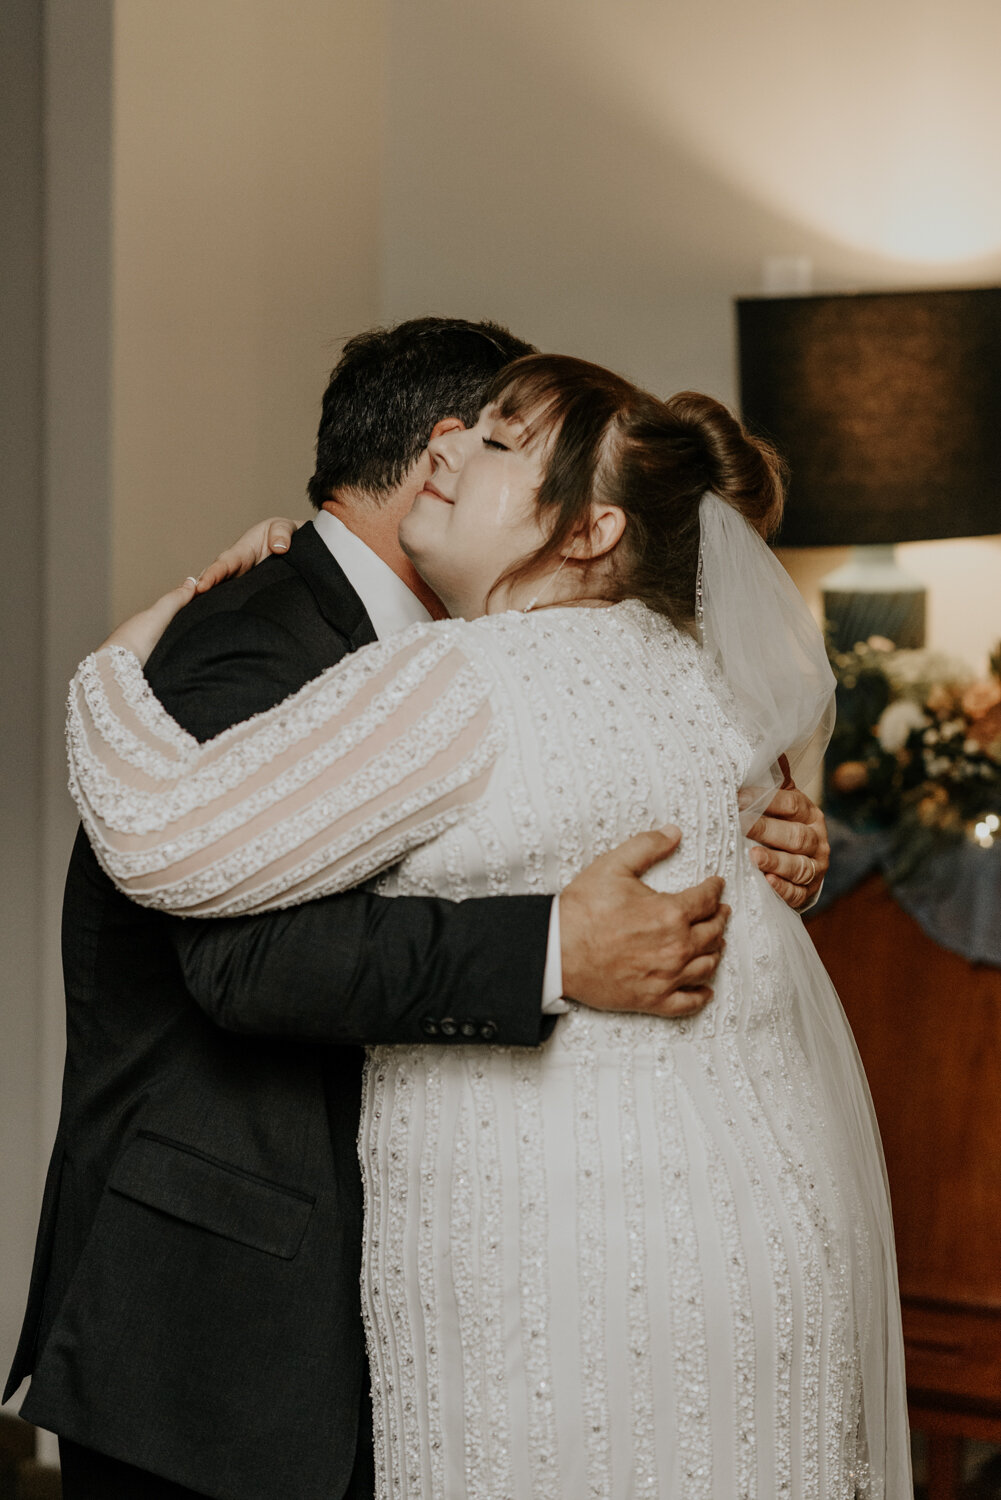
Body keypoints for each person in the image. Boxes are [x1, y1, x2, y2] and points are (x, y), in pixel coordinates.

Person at [5, 320, 827, 1500]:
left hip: (466, 1278)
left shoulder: (517, 657)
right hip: (221, 1329)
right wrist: (555, 948)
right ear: (439, 451)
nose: (478, 458)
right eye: (490, 433)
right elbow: (246, 962)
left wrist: (766, 849)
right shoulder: (247, 642)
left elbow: (626, 821)